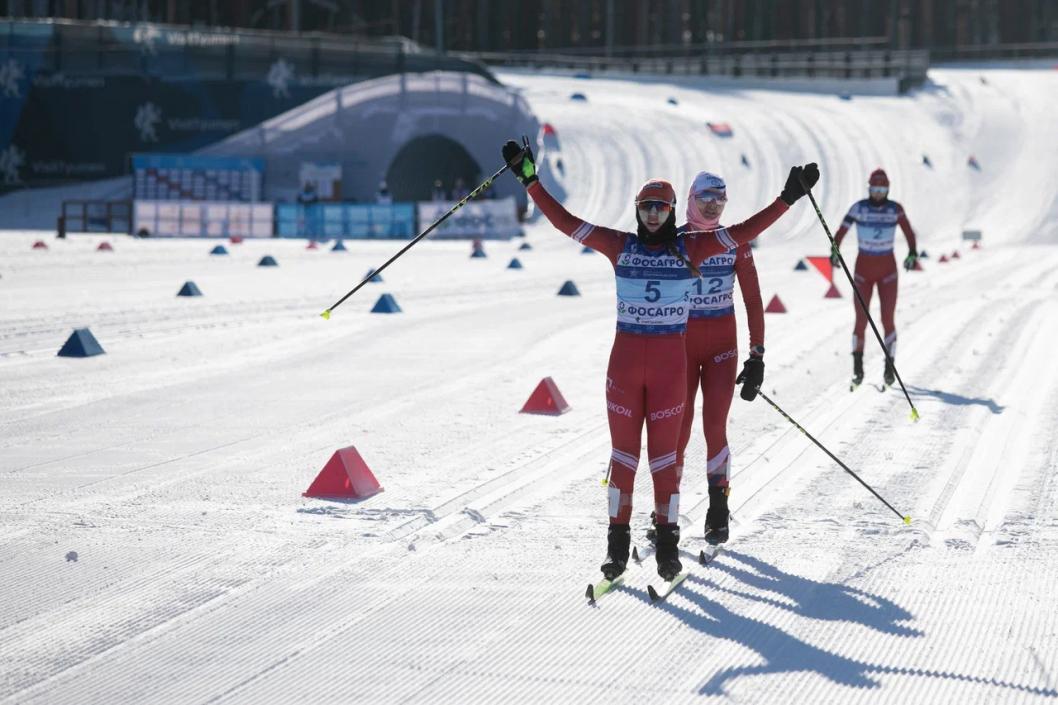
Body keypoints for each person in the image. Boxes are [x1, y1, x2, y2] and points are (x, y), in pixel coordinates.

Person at [501, 138, 818, 581]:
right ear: (637, 209)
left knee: (665, 461)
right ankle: (617, 544)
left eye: (661, 208)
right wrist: (530, 180)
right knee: (624, 459)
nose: (653, 215)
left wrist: (787, 199)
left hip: (671, 372)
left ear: (672, 211)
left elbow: (744, 233)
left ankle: (669, 542)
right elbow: (567, 222)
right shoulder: (621, 246)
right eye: (647, 206)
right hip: (624, 374)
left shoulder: (694, 249)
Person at [675, 171, 765, 546]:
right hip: (678, 348)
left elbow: (753, 299)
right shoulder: (674, 239)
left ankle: (717, 512)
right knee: (675, 434)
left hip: (721, 350)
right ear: (691, 198)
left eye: (720, 199)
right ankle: (666, 512)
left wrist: (757, 355)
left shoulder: (734, 242)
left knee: (715, 427)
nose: (712, 204)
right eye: (705, 197)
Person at [831, 168, 918, 388]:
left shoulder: (895, 209)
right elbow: (840, 232)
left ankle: (889, 368)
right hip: (863, 273)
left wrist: (912, 253)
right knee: (860, 320)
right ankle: (857, 370)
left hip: (888, 272)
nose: (878, 193)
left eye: (882, 189)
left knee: (887, 319)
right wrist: (834, 250)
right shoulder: (859, 208)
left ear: (888, 189)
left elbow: (909, 233)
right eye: (874, 188)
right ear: (869, 188)